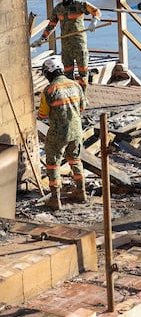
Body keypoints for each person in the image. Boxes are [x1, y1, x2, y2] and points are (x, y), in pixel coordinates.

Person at [37, 57, 87, 211]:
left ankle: (55, 198)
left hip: (58, 133)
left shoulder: (49, 90)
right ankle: (81, 192)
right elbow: (82, 107)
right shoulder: (75, 85)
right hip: (76, 130)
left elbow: (43, 115)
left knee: (53, 164)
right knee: (75, 160)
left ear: (48, 73)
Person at [37, 0, 102, 94]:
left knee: (83, 73)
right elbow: (52, 25)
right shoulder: (58, 9)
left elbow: (96, 11)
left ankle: (82, 96)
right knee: (67, 73)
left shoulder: (79, 5)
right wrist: (43, 38)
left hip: (79, 44)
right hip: (65, 45)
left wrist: (94, 21)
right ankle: (71, 95)